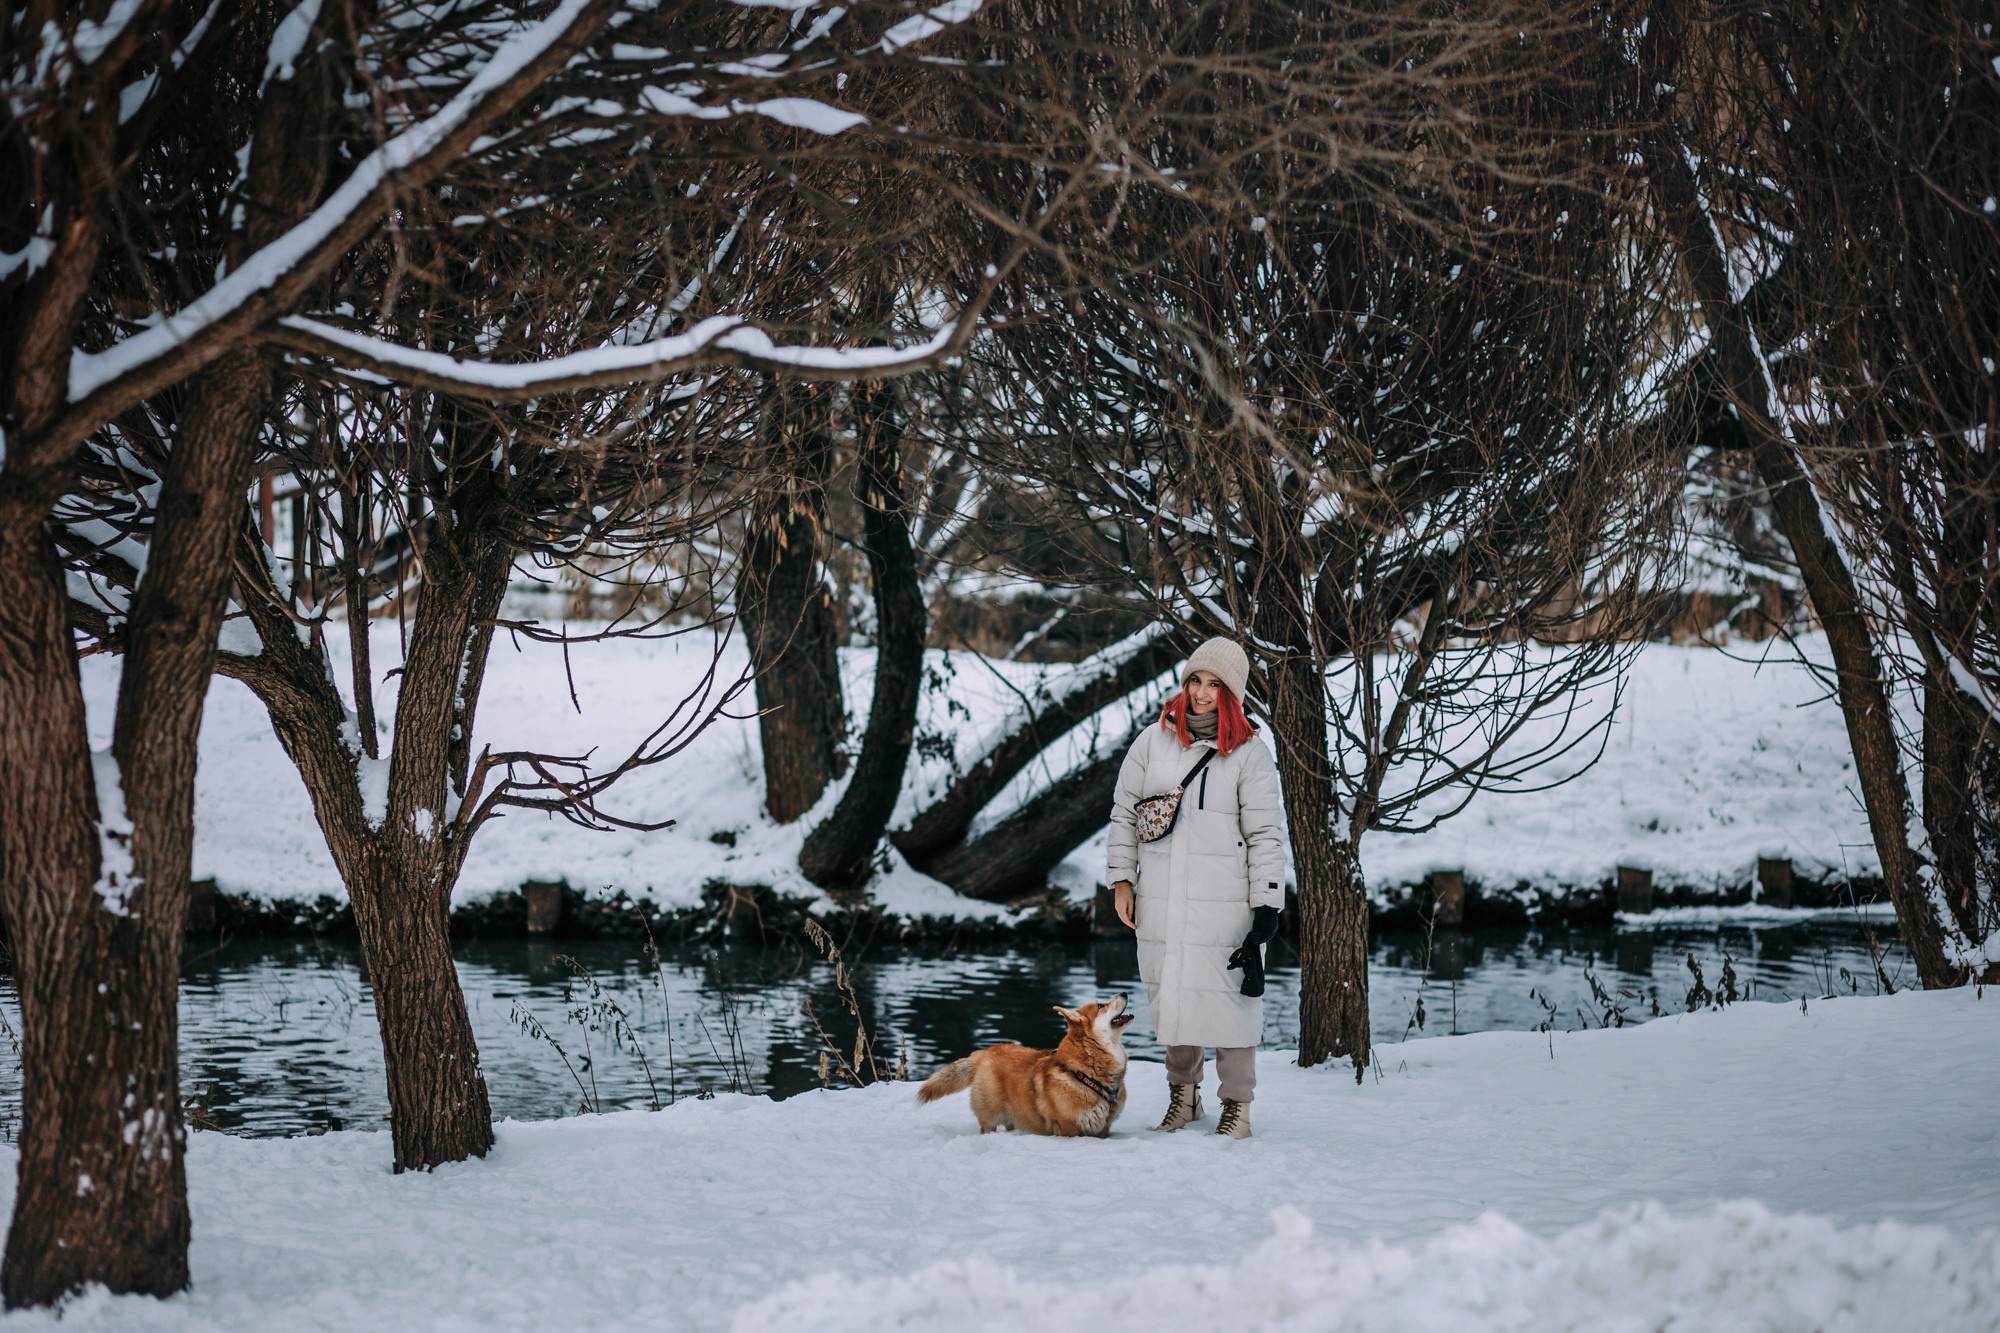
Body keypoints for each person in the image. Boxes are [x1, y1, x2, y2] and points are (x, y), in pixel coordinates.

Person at [1106, 637, 1286, 1138]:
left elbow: (1265, 835)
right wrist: (1122, 879)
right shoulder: (1151, 742)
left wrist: (1267, 901)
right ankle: (1183, 1099)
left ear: (1232, 694)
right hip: (1162, 897)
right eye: (1195, 680)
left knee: (1233, 1002)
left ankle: (1238, 1107)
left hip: (1225, 902)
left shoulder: (1250, 755)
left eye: (1214, 685)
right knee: (1175, 996)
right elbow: (1124, 814)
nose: (1202, 693)